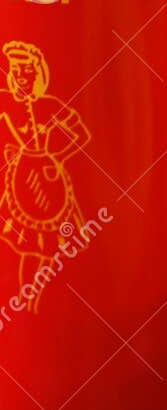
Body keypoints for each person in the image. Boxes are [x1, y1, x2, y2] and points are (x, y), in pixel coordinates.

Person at [0, 41, 91, 314]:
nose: (21, 78)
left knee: (50, 251)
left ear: (38, 74)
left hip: (50, 189)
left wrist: (57, 157)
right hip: (18, 187)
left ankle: (37, 304)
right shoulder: (5, 101)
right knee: (27, 249)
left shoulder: (50, 105)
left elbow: (82, 134)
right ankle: (28, 305)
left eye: (27, 72)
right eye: (16, 72)